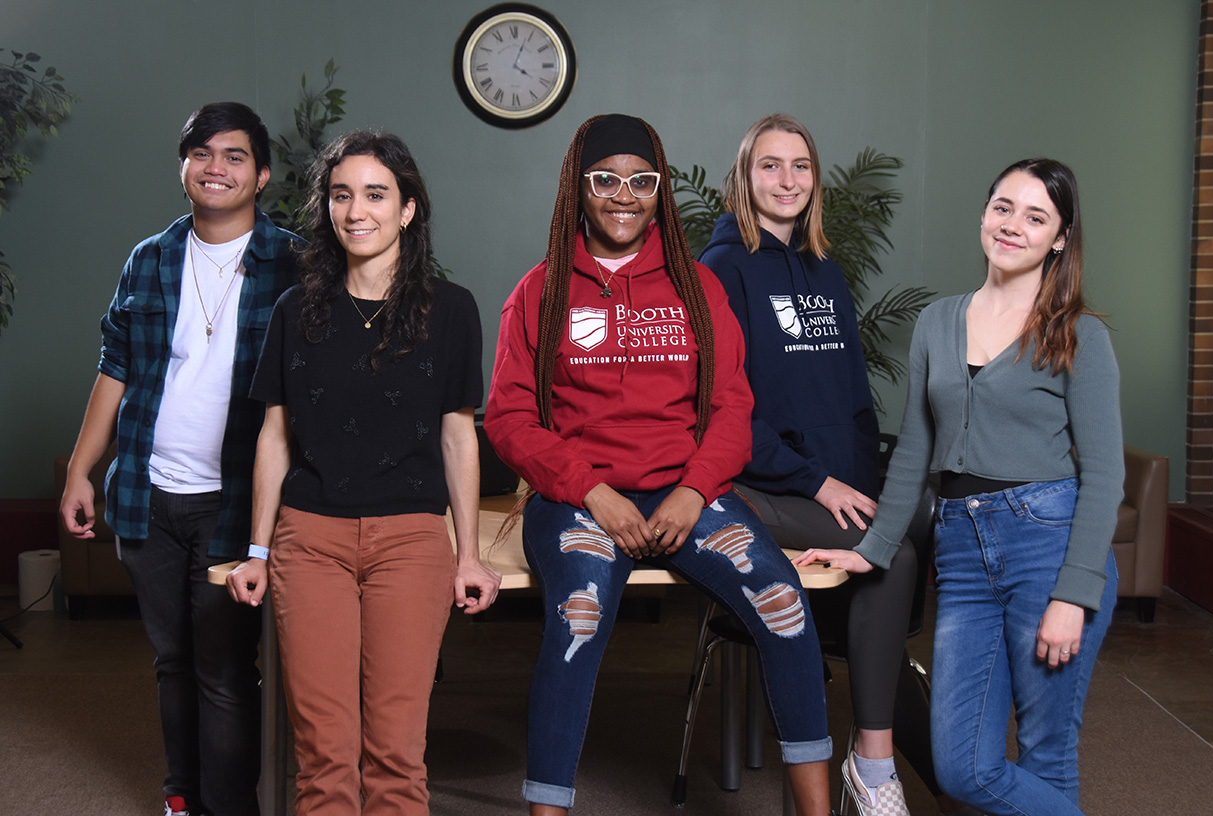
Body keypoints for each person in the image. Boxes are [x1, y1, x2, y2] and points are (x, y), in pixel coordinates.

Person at [484, 113, 834, 816]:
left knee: (786, 605)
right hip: (577, 499)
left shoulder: (695, 288)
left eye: (642, 181)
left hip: (688, 494)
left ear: (660, 191)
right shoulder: (540, 289)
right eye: (605, 179)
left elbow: (734, 409)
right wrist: (592, 492)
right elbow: (508, 418)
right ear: (577, 188)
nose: (624, 194)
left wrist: (694, 492)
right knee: (577, 619)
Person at [806, 158, 1120, 815]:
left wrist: (1075, 592)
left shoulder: (1080, 335)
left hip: (1049, 543)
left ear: (1059, 238)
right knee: (959, 767)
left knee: (1046, 748)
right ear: (984, 214)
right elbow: (917, 447)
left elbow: (1105, 474)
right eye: (1003, 207)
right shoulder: (938, 322)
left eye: (1036, 217)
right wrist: (873, 547)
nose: (1013, 226)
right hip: (962, 552)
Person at [225, 130, 500, 816]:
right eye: (341, 195)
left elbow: (459, 437)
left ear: (408, 209)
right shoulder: (295, 311)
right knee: (324, 757)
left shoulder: (453, 309)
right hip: (309, 540)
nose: (357, 211)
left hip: (410, 542)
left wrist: (469, 554)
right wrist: (256, 550)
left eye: (376, 195)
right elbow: (275, 437)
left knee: (396, 756)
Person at [59, 102, 297, 816]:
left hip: (234, 503)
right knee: (173, 663)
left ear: (261, 175)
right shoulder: (151, 257)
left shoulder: (295, 261)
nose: (214, 167)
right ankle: (181, 797)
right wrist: (80, 469)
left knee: (225, 669)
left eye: (233, 156)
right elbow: (116, 367)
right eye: (201, 153)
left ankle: (231, 807)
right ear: (183, 166)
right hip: (146, 495)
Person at [700, 113, 923, 816]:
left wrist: (859, 487)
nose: (787, 179)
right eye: (770, 165)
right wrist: (818, 483)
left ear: (815, 180)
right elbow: (723, 413)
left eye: (800, 166)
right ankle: (875, 763)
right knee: (892, 556)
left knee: (923, 519)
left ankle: (894, 742)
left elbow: (855, 400)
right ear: (745, 176)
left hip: (829, 489)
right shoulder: (721, 268)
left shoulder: (827, 274)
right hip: (758, 488)